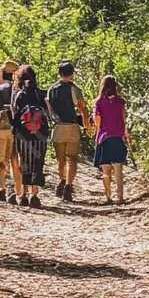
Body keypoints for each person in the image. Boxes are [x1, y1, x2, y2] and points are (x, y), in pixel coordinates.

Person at [47, 60, 92, 202]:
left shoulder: (51, 89)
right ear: (72, 74)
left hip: (58, 127)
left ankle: (62, 178)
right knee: (71, 158)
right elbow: (82, 108)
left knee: (60, 158)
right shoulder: (74, 89)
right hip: (72, 126)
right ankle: (68, 185)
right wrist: (86, 125)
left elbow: (49, 107)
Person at [11, 64, 51, 208]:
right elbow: (49, 113)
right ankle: (35, 194)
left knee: (24, 161)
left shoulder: (19, 94)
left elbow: (14, 113)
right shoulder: (41, 94)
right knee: (38, 161)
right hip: (40, 133)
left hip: (23, 133)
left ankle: (25, 195)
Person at [93, 75, 130, 205]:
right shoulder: (120, 101)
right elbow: (123, 118)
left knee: (106, 170)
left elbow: (97, 121)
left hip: (104, 137)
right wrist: (125, 133)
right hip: (118, 136)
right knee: (118, 168)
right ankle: (120, 196)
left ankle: (108, 196)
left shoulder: (99, 102)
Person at [0, 60, 24, 203]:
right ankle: (15, 190)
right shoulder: (20, 90)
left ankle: (2, 188)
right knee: (15, 161)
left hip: (0, 128)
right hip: (17, 130)